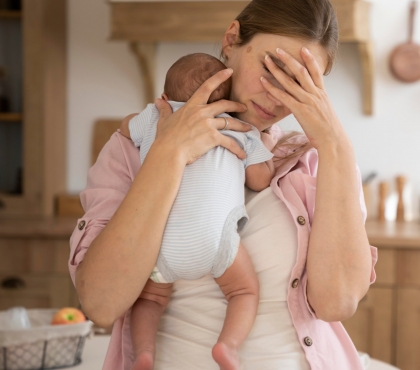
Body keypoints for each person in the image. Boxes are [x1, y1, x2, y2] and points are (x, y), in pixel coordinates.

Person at [68, 0, 378, 369]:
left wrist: (335, 143)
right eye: (272, 66)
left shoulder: (317, 162)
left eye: (301, 83)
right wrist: (168, 154)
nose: (276, 95)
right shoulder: (135, 149)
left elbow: (336, 302)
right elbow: (101, 303)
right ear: (231, 40)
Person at [120, 52, 275, 370]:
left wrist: (149, 115)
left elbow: (124, 129)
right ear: (228, 101)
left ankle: (144, 354)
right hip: (216, 242)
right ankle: (228, 347)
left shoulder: (156, 116)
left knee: (149, 300)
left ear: (165, 97)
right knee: (244, 291)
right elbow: (261, 181)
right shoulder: (239, 127)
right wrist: (264, 148)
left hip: (159, 242)